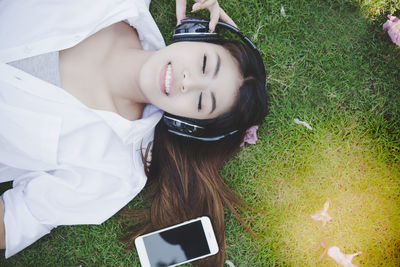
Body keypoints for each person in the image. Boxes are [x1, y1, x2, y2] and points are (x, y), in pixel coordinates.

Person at [0, 0, 267, 265]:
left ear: (187, 124)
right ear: (194, 33)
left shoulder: (114, 171)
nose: (188, 81)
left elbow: (12, 222)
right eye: (205, 63)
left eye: (200, 103)